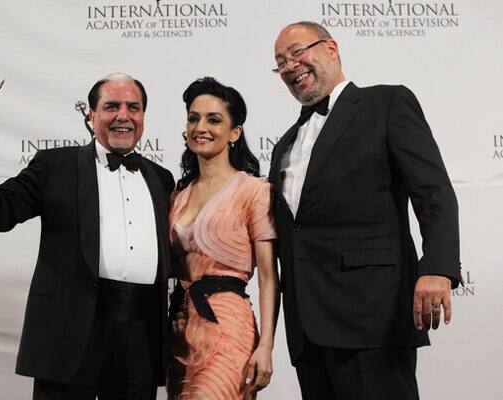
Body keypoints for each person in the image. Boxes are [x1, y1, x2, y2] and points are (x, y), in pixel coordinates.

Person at [0, 73, 174, 400]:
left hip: (140, 340)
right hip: (71, 332)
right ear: (91, 115)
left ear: (143, 117)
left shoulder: (161, 178)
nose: (123, 116)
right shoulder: (55, 166)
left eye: (133, 107)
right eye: (111, 106)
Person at [269, 21, 462, 399]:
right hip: (308, 329)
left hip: (374, 315)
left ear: (331, 48)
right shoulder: (284, 145)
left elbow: (433, 190)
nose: (290, 66)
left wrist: (437, 267)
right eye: (280, 62)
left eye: (297, 52)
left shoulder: (386, 103)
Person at [166, 77, 279, 400]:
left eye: (214, 119)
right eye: (193, 117)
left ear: (234, 133)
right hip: (180, 326)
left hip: (228, 325)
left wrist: (267, 347)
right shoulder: (178, 194)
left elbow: (269, 279)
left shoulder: (254, 191)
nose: (201, 126)